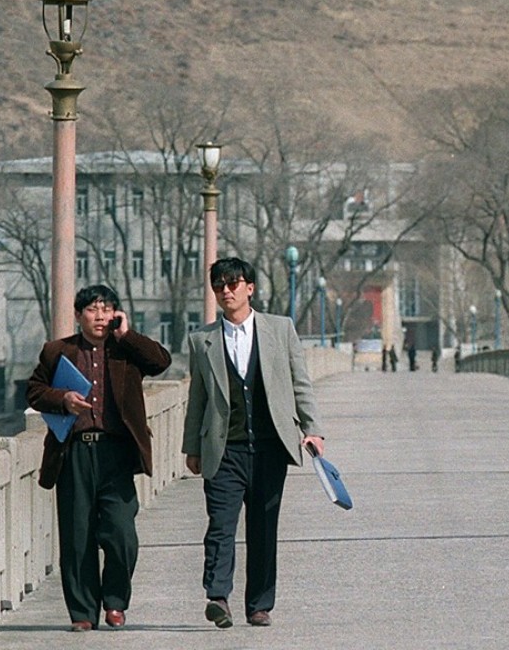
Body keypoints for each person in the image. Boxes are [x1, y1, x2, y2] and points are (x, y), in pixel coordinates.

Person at [183, 257, 324, 630]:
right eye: (219, 285)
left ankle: (259, 605)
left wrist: (313, 429)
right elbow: (197, 396)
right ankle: (217, 597)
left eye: (233, 283)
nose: (226, 291)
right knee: (220, 526)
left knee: (263, 527)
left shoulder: (280, 329)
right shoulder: (202, 340)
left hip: (269, 447)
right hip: (223, 448)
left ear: (250, 288)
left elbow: (300, 382)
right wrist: (191, 447)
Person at [26, 285, 172, 632]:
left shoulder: (128, 351)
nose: (100, 316)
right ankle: (82, 612)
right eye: (93, 310)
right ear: (79, 315)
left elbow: (161, 361)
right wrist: (63, 399)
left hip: (116, 453)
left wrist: (128, 333)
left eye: (107, 309)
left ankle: (116, 601)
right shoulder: (57, 351)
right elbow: (34, 390)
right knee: (77, 535)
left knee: (122, 533)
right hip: (74, 452)